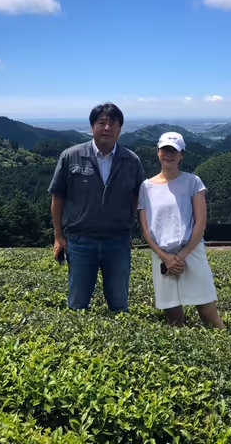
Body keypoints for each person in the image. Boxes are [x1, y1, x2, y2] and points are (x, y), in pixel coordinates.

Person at [49, 103, 144, 312]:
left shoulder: (131, 161)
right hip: (80, 241)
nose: (107, 128)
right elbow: (58, 198)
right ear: (92, 127)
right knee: (77, 305)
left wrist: (131, 231)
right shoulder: (70, 156)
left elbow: (137, 200)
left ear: (120, 129)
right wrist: (58, 236)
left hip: (117, 242)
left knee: (119, 305)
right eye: (101, 123)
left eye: (113, 124)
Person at [138, 132, 225, 328]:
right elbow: (146, 229)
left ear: (182, 155)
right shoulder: (146, 187)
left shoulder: (193, 182)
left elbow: (200, 224)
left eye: (174, 151)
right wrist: (165, 257)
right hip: (161, 256)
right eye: (165, 150)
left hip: (192, 252)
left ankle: (228, 351)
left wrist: (181, 256)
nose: (169, 155)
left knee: (208, 313)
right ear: (158, 152)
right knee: (174, 318)